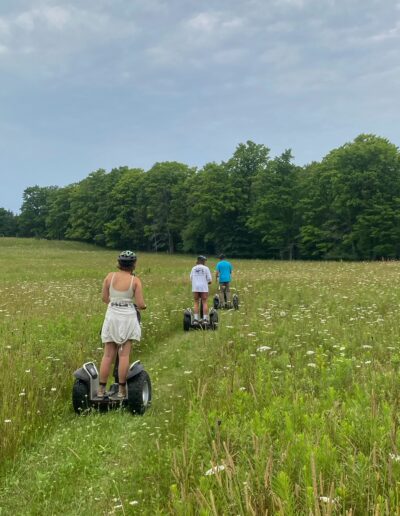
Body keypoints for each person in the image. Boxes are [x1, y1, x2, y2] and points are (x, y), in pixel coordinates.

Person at [98, 250, 146, 399]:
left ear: (119, 263)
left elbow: (105, 299)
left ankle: (101, 390)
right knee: (124, 355)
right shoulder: (135, 280)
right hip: (128, 317)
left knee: (107, 355)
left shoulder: (109, 277)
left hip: (112, 315)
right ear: (133, 264)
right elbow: (140, 304)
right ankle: (121, 390)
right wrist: (143, 307)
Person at [190, 255, 212, 322]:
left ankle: (196, 319)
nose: (205, 262)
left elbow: (191, 278)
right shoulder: (206, 268)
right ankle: (205, 319)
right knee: (204, 302)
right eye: (204, 261)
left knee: (196, 302)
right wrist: (208, 282)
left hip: (195, 287)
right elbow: (209, 280)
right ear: (202, 261)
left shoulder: (193, 268)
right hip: (203, 288)